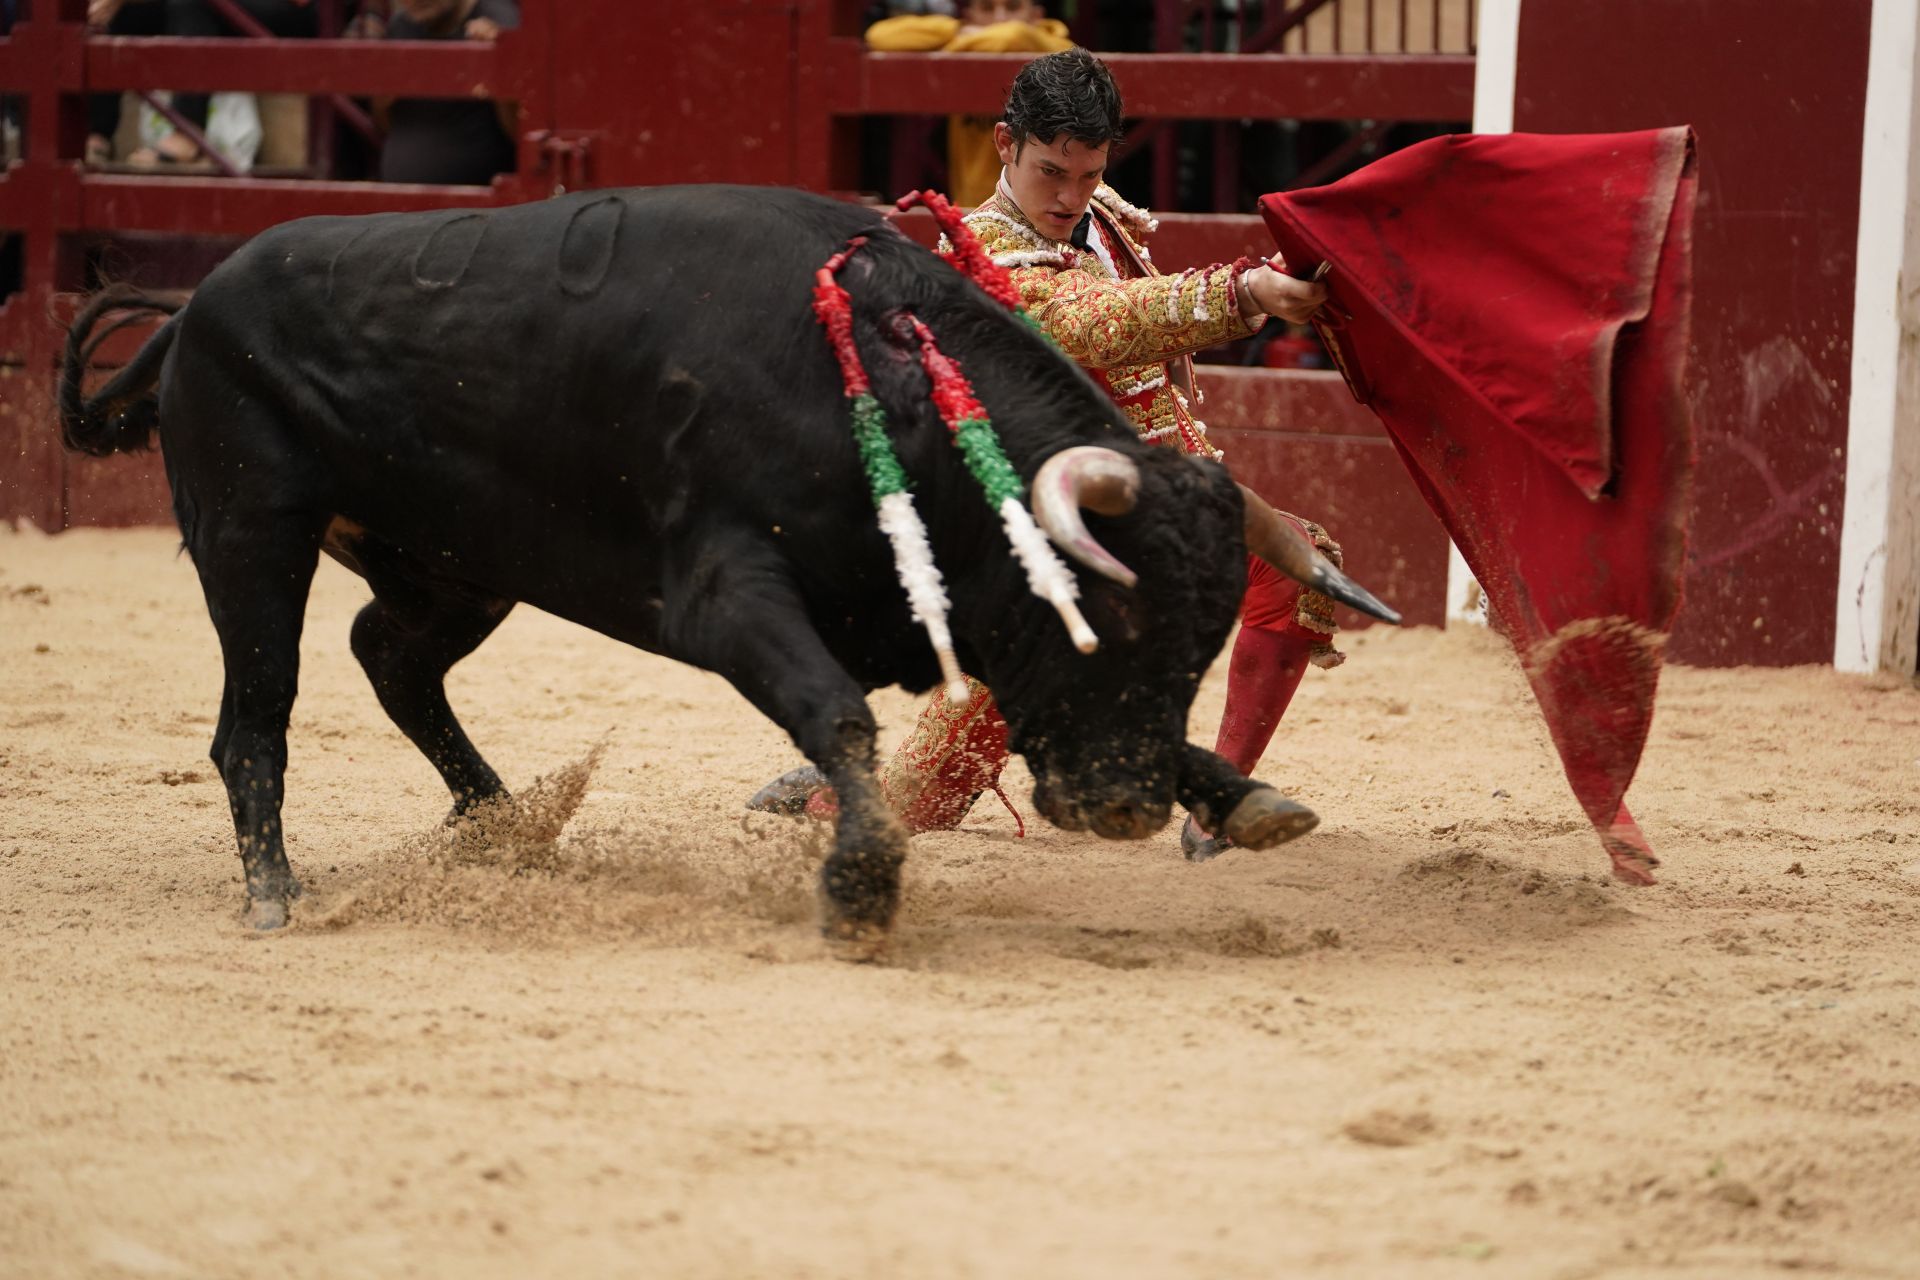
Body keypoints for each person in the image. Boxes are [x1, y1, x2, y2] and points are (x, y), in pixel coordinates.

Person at [752, 47, 1336, 862]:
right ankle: (832, 798)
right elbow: (1099, 321)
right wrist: (1244, 293)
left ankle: (1219, 809)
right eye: (1051, 173)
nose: (1070, 197)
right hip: (1046, 543)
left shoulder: (1102, 216)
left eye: (1089, 174)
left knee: (1298, 575)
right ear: (1004, 144)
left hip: (1153, 499)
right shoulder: (983, 250)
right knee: (923, 801)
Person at [864, 0, 1073, 207]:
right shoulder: (968, 37)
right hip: (972, 208)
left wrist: (953, 46)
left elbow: (1015, 35)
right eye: (987, 8)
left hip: (1039, 210)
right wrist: (958, 29)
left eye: (1013, 7)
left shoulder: (1054, 44)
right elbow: (878, 36)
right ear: (970, 16)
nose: (999, 19)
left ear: (1036, 15)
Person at [375, 0, 520, 185]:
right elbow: (388, 122)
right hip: (404, 204)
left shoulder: (497, 22)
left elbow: (522, 134)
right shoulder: (402, 25)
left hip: (477, 206)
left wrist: (498, 65)